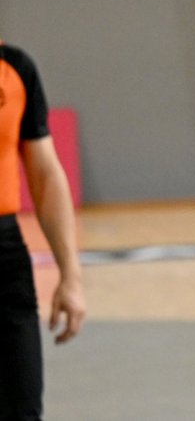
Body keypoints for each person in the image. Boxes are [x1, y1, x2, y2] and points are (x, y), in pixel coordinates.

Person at [1, 40, 86, 421]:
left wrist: (71, 275)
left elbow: (46, 175)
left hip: (5, 257)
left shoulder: (15, 68)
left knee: (22, 409)